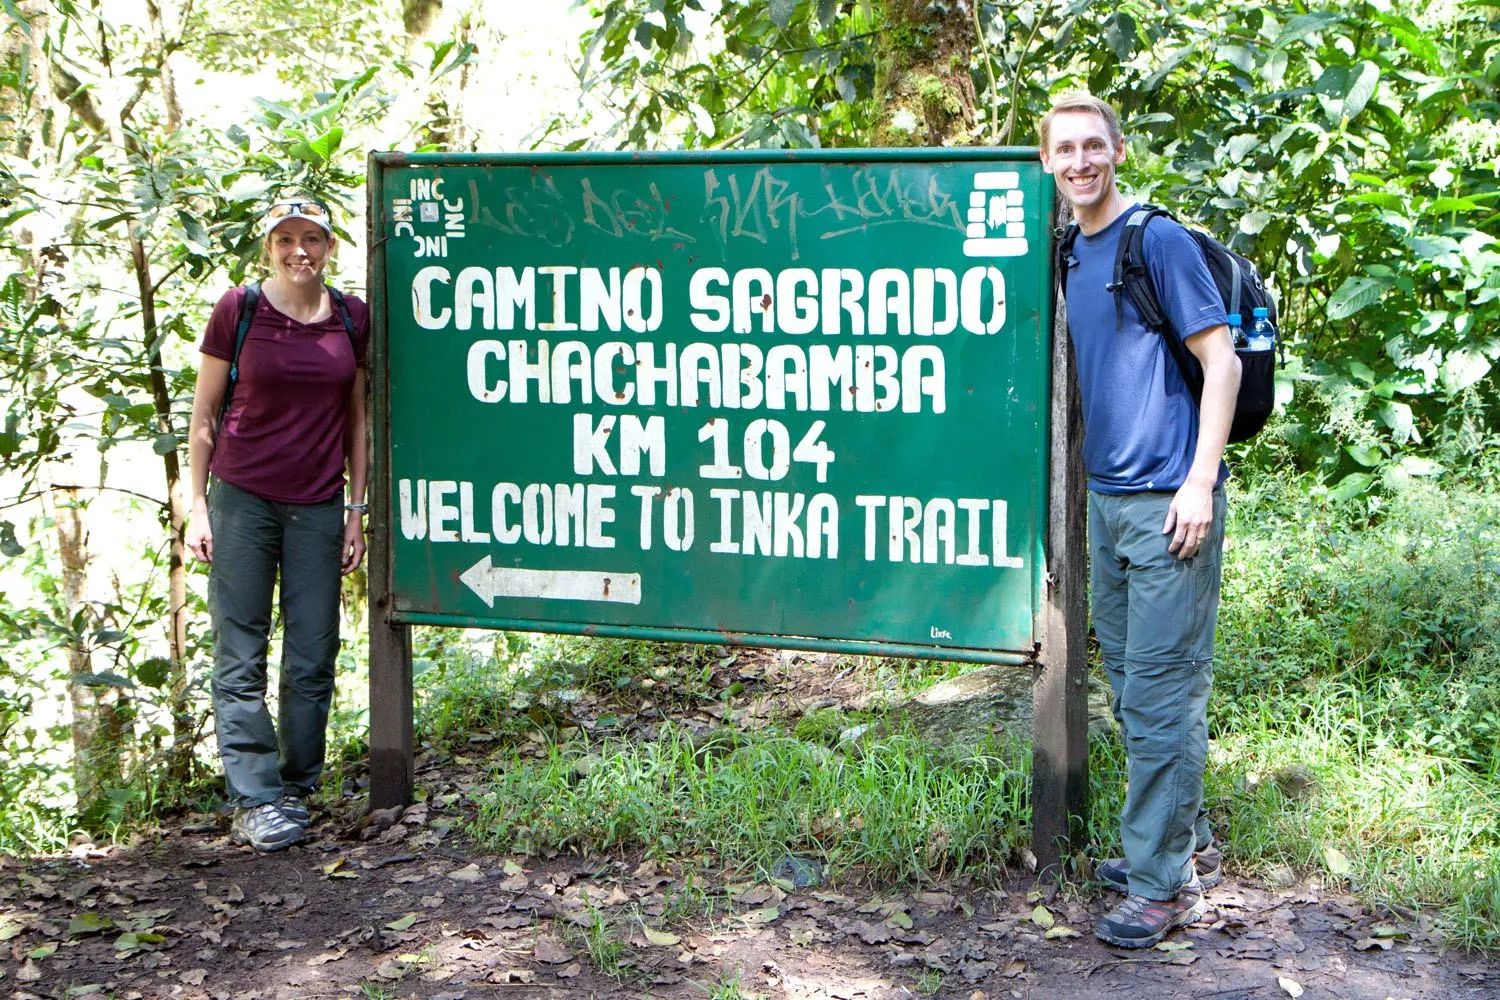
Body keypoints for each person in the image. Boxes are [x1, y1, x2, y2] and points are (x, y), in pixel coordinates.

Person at [1038, 94, 1242, 948]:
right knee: (1129, 679)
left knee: (1161, 694)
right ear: (1048, 162)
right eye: (1066, 150)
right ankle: (1176, 835)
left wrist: (1200, 481)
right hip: (1111, 505)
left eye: (1094, 145)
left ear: (1118, 150)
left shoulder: (1153, 240)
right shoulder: (1072, 252)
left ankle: (1163, 885)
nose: (1081, 161)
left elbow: (1220, 360)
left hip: (1170, 504)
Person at [185, 198, 370, 853]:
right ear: (268, 247)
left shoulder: (350, 317)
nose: (300, 252)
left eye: (312, 239)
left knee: (314, 656)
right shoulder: (239, 310)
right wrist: (197, 504)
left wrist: (356, 512)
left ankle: (297, 785)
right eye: (287, 240)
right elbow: (205, 413)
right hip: (243, 502)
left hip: (319, 505)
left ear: (329, 246)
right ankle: (255, 796)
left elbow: (357, 420)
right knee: (240, 655)